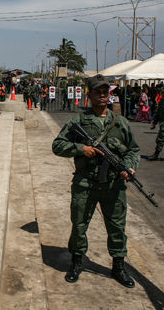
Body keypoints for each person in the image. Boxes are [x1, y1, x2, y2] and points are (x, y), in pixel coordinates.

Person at [52, 74, 140, 288]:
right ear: (89, 94)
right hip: (85, 184)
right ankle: (76, 262)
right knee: (80, 225)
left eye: (105, 91)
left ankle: (118, 266)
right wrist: (82, 149)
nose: (102, 95)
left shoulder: (120, 122)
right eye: (97, 91)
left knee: (117, 227)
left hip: (114, 186)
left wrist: (129, 166)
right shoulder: (79, 121)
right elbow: (57, 146)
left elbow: (133, 150)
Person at [148, 89, 164, 160]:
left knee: (160, 139)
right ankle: (156, 154)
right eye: (161, 93)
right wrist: (154, 123)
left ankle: (156, 155)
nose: (161, 95)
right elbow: (157, 113)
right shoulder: (161, 102)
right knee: (160, 139)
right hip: (162, 123)